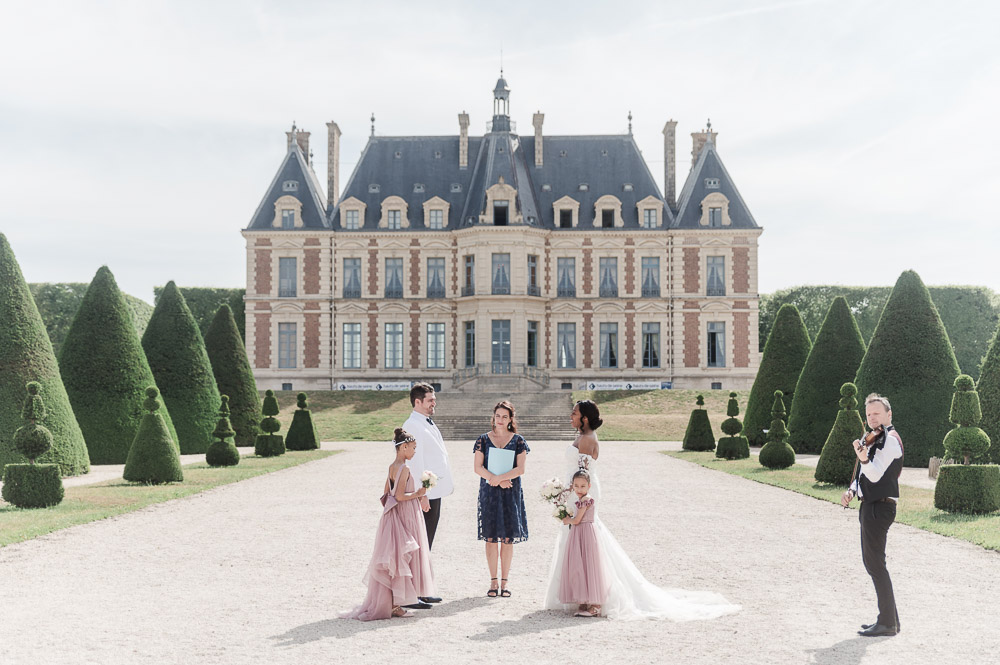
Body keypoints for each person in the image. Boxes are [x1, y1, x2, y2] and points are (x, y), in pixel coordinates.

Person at [544, 399, 740, 621]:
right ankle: (582, 593)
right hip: (575, 489)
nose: (571, 416)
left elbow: (582, 476)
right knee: (576, 535)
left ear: (585, 418)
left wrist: (563, 492)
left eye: (574, 413)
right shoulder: (581, 436)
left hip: (582, 490)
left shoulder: (588, 439)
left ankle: (595, 596)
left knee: (587, 536)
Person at [341, 428, 436, 621]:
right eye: (413, 448)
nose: (415, 451)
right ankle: (394, 604)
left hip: (393, 515)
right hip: (406, 514)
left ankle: (394, 603)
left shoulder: (392, 467)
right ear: (404, 447)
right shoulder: (405, 468)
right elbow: (400, 496)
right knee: (403, 557)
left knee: (395, 558)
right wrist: (418, 494)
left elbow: (387, 493)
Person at [840, 393, 903, 637]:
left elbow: (875, 474)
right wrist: (852, 490)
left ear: (889, 414)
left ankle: (887, 623)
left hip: (880, 506)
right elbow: (863, 476)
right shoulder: (875, 440)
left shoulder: (890, 441)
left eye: (877, 413)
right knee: (873, 563)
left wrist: (863, 457)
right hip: (870, 505)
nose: (872, 418)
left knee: (876, 564)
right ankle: (890, 619)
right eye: (868, 414)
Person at [403, 382, 453, 607]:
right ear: (418, 402)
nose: (435, 403)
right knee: (418, 543)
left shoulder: (423, 423)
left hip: (432, 492)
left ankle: (422, 589)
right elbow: (415, 461)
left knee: (426, 542)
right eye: (430, 400)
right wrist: (421, 494)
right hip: (424, 494)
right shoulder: (412, 425)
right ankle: (410, 594)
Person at [473, 400, 529, 598]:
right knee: (490, 538)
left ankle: (505, 582)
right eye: (498, 416)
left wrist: (501, 479)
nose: (500, 420)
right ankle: (493, 581)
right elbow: (478, 467)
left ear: (510, 419)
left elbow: (520, 469)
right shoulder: (482, 439)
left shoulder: (519, 440)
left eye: (505, 416)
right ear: (493, 417)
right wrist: (495, 480)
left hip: (510, 491)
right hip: (490, 492)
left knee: (507, 538)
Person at [558, 469, 609, 617]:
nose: (579, 489)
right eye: (576, 486)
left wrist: (567, 520)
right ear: (572, 485)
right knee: (580, 564)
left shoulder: (586, 500)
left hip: (585, 532)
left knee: (589, 564)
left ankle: (595, 605)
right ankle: (584, 601)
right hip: (579, 533)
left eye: (582, 486)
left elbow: (577, 520)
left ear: (589, 486)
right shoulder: (580, 500)